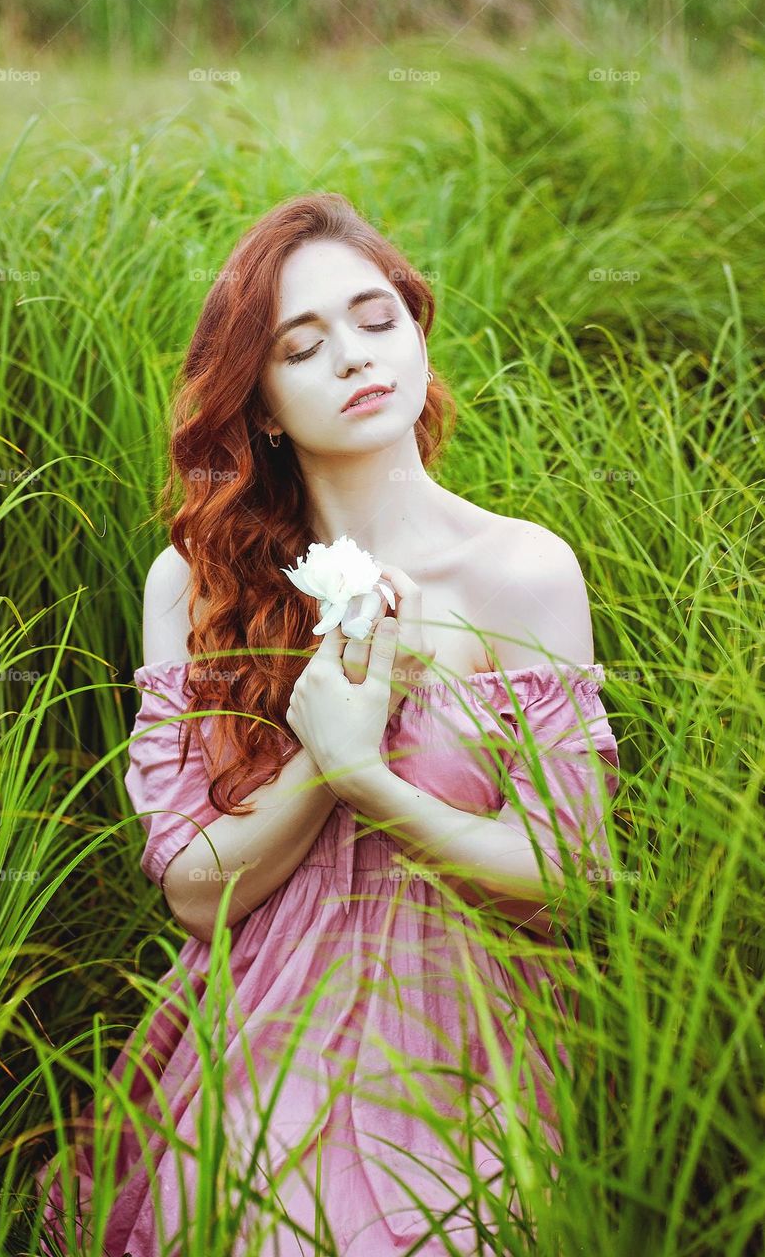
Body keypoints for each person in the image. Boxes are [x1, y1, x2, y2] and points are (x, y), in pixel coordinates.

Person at [34, 191, 620, 1256]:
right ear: (258, 402)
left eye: (375, 317)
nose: (354, 356)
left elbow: (569, 875)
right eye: (303, 346)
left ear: (414, 327)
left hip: (465, 1029)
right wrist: (317, 753)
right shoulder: (197, 583)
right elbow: (194, 891)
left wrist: (370, 774)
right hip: (264, 1012)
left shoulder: (519, 570)